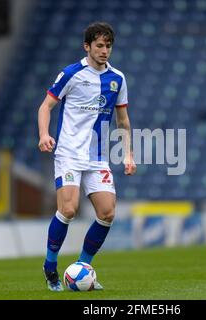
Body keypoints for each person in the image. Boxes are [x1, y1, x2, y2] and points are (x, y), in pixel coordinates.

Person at [37, 22, 136, 292]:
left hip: (98, 157)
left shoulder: (118, 79)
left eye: (108, 46)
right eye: (100, 46)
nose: (105, 51)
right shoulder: (72, 74)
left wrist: (128, 153)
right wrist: (44, 134)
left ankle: (82, 269)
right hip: (69, 153)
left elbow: (123, 120)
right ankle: (50, 267)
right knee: (68, 209)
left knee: (107, 213)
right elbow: (45, 106)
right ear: (87, 46)